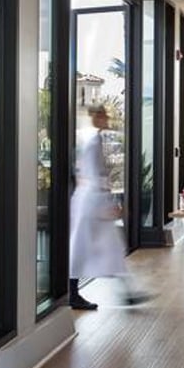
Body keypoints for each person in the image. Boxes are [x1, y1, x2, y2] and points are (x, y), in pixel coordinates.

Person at [69, 104, 151, 310]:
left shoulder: (94, 140)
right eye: (104, 116)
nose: (107, 119)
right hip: (92, 203)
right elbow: (94, 175)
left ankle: (126, 292)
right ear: (96, 117)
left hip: (91, 201)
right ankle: (75, 293)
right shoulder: (93, 142)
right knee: (88, 248)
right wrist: (108, 203)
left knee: (105, 248)